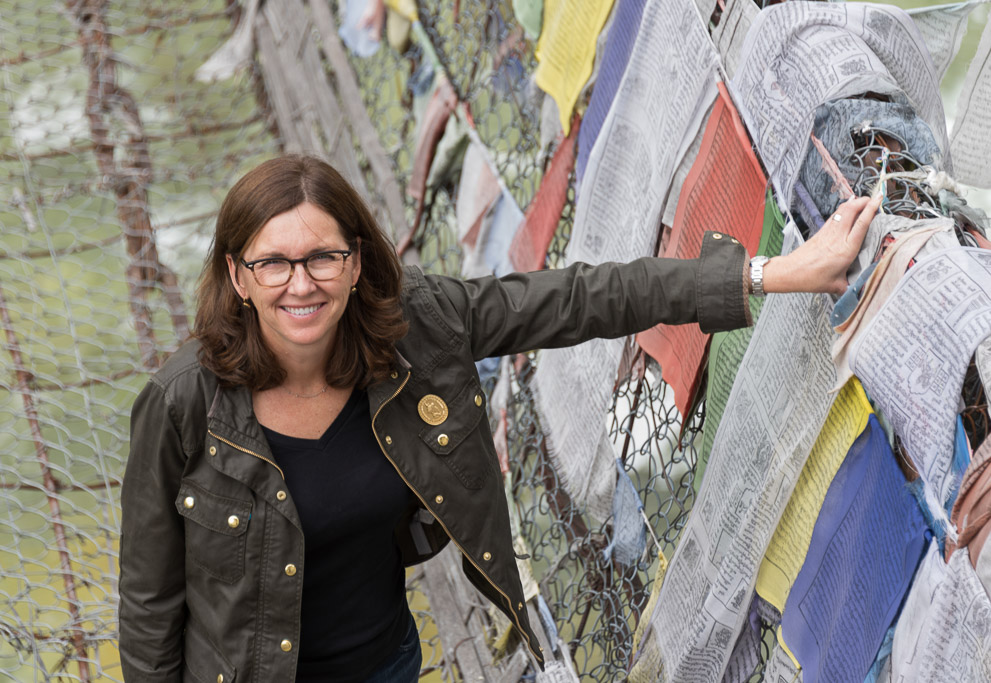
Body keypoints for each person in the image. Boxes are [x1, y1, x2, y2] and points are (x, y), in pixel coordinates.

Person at [118, 155, 881, 682]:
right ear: (236, 277)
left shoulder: (420, 327)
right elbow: (150, 599)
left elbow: (586, 297)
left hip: (384, 665)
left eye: (321, 257)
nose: (299, 284)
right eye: (271, 263)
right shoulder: (184, 403)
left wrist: (773, 272)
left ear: (355, 263)